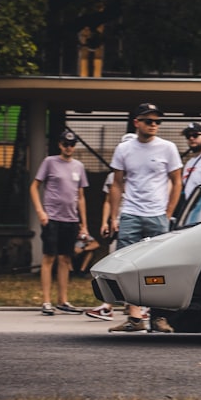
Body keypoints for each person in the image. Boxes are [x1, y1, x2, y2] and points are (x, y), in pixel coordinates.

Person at [106, 103, 183, 333]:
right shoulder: (124, 149)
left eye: (157, 122)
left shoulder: (168, 148)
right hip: (130, 213)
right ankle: (134, 317)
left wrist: (168, 213)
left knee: (159, 266)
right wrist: (114, 216)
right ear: (136, 122)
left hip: (157, 215)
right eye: (149, 121)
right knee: (126, 266)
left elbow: (177, 182)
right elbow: (117, 184)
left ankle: (159, 317)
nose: (154, 125)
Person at [29, 129, 88, 315]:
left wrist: (83, 223)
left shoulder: (78, 166)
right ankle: (46, 301)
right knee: (49, 258)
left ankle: (63, 300)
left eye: (72, 145)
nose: (68, 148)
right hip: (52, 218)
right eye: (65, 144)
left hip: (70, 219)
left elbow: (80, 196)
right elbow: (34, 186)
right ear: (60, 144)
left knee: (65, 259)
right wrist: (40, 211)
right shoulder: (50, 162)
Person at [85, 134, 136, 320]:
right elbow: (108, 200)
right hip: (120, 221)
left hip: (137, 219)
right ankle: (108, 305)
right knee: (115, 263)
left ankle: (141, 308)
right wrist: (108, 220)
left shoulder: (143, 171)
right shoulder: (113, 176)